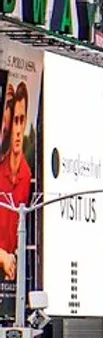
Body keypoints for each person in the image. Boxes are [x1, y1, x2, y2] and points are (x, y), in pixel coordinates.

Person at [0, 83, 32, 281]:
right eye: (15, 122)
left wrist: (14, 257)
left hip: (11, 273)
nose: (18, 130)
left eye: (22, 121)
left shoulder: (27, 174)